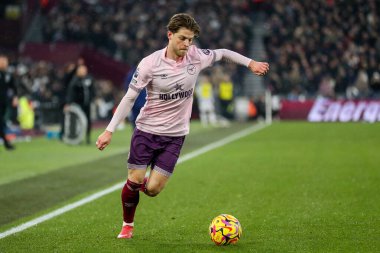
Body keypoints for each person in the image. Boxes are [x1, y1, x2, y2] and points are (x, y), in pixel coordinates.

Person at [96, 13, 269, 239]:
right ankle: (127, 225)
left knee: (153, 189)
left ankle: (139, 185)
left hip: (175, 136)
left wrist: (251, 63)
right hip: (146, 131)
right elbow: (129, 98)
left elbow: (224, 53)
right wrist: (109, 130)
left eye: (191, 39)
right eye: (183, 38)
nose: (187, 44)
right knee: (135, 179)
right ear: (170, 35)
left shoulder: (196, 56)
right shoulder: (149, 64)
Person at [65, 64, 95, 144]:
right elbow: (71, 92)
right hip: (78, 105)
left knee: (88, 121)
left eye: (84, 70)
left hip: (87, 104)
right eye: (82, 70)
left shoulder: (89, 78)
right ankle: (76, 137)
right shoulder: (75, 80)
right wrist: (68, 103)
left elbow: (92, 90)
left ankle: (88, 137)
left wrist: (93, 98)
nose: (83, 71)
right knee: (78, 122)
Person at [0, 55, 18, 151]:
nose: (4, 63)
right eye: (2, 61)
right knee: (1, 122)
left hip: (3, 102)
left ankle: (6, 143)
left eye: (5, 61)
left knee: (1, 122)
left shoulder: (8, 74)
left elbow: (13, 87)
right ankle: (7, 143)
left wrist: (15, 97)